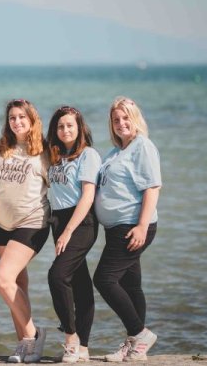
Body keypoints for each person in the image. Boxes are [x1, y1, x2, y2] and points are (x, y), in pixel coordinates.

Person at [93, 96, 161, 362]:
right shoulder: (116, 152)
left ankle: (140, 333)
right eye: (116, 119)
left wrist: (142, 226)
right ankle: (136, 347)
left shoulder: (143, 146)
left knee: (104, 279)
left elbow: (152, 188)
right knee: (132, 286)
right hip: (117, 228)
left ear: (135, 119)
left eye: (125, 118)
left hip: (132, 226)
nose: (121, 123)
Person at [0, 98, 50, 364]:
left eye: (21, 117)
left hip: (32, 222)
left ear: (32, 119)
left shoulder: (45, 150)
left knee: (3, 279)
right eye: (12, 118)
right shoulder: (1, 148)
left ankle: (32, 336)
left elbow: (61, 183)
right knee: (17, 284)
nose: (16, 122)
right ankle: (23, 347)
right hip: (1, 224)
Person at [45, 106, 101, 363]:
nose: (65, 130)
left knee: (57, 276)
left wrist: (67, 232)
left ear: (79, 128)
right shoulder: (55, 156)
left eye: (70, 125)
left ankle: (71, 337)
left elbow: (88, 196)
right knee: (79, 282)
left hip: (81, 223)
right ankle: (85, 347)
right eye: (60, 126)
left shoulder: (88, 155)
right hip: (59, 220)